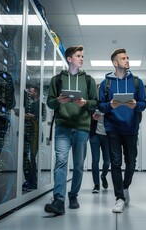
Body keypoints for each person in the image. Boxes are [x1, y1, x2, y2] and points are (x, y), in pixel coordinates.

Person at [44, 45, 97, 215]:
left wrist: (85, 103)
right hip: (63, 126)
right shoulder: (57, 80)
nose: (82, 58)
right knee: (61, 161)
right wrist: (59, 100)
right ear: (69, 59)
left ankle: (73, 195)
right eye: (78, 56)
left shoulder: (88, 80)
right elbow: (50, 103)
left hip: (82, 126)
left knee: (79, 165)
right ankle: (59, 200)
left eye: (82, 56)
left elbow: (95, 102)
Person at [98, 48, 146, 213]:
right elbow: (100, 106)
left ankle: (125, 186)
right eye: (123, 58)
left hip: (131, 128)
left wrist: (136, 105)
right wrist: (110, 105)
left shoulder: (136, 82)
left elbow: (143, 103)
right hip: (113, 129)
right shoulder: (106, 84)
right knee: (116, 163)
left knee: (131, 162)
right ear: (115, 62)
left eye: (127, 57)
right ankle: (119, 197)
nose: (127, 60)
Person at [22, 86, 41, 191]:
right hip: (28, 133)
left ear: (36, 93)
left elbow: (41, 117)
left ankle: (33, 182)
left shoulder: (40, 105)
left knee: (32, 157)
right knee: (24, 157)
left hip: (35, 134)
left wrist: (32, 116)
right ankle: (29, 180)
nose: (29, 92)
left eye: (31, 91)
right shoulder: (29, 104)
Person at [89, 108, 110, 193]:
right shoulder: (93, 104)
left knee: (107, 161)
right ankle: (96, 185)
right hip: (95, 135)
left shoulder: (109, 104)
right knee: (95, 160)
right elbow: (87, 117)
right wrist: (92, 117)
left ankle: (103, 176)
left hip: (107, 136)